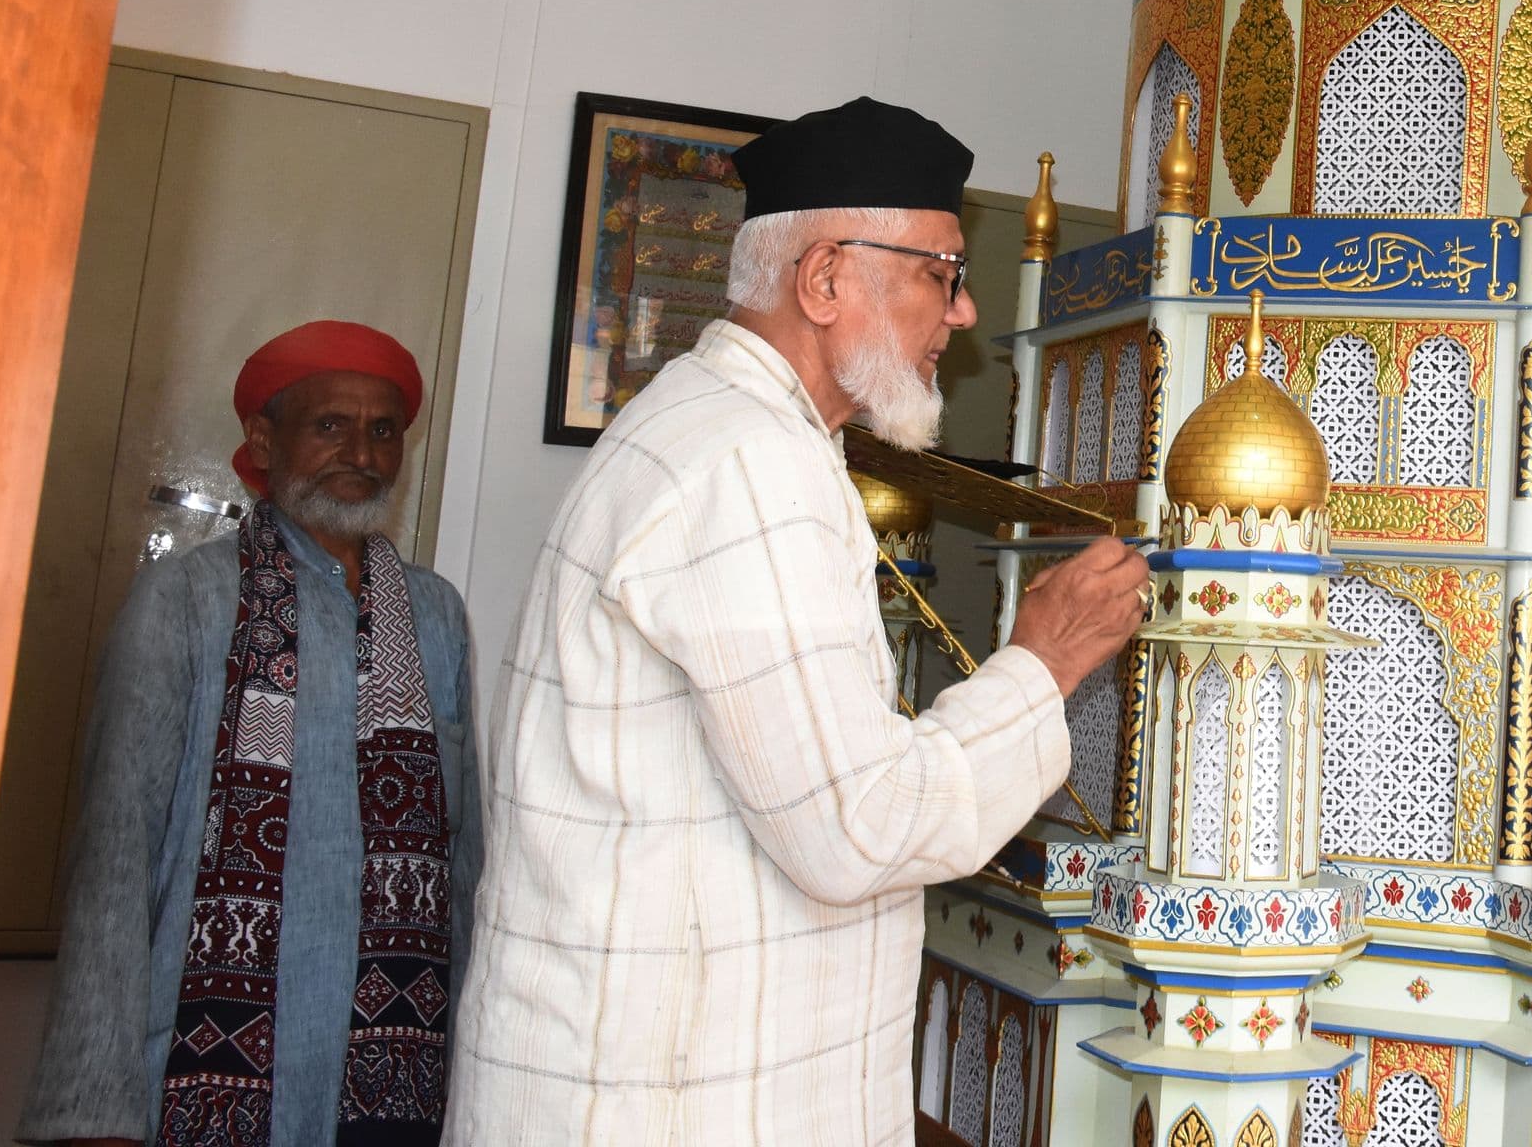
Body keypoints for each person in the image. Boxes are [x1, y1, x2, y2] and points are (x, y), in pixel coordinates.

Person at [446, 97, 1148, 1144]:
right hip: (667, 1105)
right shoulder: (746, 462)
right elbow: (858, 828)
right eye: (940, 274)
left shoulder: (730, 430)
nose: (960, 315)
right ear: (824, 278)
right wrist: (1041, 663)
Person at [19, 321, 479, 1147]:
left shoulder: (434, 614)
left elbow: (465, 854)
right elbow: (115, 858)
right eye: (329, 424)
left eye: (383, 430)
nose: (362, 454)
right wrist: (96, 1107)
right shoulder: (185, 601)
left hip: (395, 1073)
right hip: (204, 1061)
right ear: (262, 442)